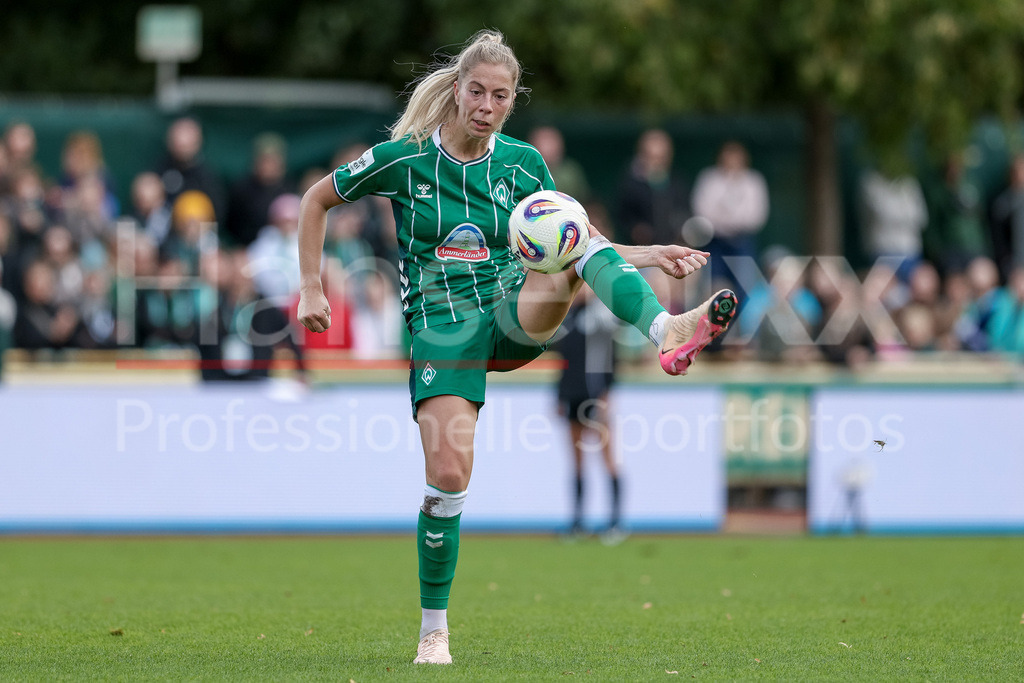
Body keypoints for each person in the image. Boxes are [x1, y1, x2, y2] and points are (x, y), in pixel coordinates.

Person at [295, 30, 737, 665]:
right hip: (440, 330)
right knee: (448, 475)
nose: (486, 104)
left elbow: (569, 241)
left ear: (511, 102)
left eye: (500, 96)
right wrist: (311, 287)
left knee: (569, 243)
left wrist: (646, 254)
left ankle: (665, 329)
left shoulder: (524, 164)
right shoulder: (402, 159)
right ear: (456, 90)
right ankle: (433, 629)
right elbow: (316, 201)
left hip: (511, 313)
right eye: (476, 91)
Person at [554, 286, 623, 542]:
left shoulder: (602, 318)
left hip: (595, 396)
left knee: (608, 458)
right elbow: (563, 362)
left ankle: (615, 523)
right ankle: (577, 522)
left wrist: (606, 397)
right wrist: (559, 395)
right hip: (572, 396)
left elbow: (611, 362)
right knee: (577, 461)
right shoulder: (568, 316)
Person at [690, 141, 769, 298]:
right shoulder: (710, 179)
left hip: (742, 241)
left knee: (745, 286)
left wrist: (728, 220)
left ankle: (743, 322)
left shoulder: (753, 181)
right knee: (712, 286)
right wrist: (727, 221)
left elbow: (756, 216)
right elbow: (702, 211)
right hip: (714, 242)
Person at [614, 128, 690, 247]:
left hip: (672, 247)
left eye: (661, 157)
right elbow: (622, 217)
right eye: (652, 157)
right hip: (639, 250)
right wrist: (635, 229)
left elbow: (684, 212)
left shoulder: (677, 182)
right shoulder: (629, 184)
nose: (656, 163)